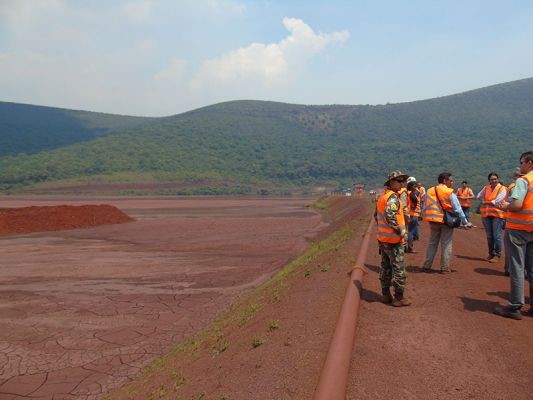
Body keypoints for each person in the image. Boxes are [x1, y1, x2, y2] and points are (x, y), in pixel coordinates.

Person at [494, 151, 533, 320]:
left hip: (518, 228)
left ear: (529, 163)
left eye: (522, 162)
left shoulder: (523, 181)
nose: (521, 166)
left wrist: (504, 206)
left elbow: (516, 204)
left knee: (517, 267)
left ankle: (515, 306)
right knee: (532, 269)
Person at [422, 172, 473, 273]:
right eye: (450, 180)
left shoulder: (429, 190)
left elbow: (425, 206)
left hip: (433, 220)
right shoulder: (449, 192)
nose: (452, 182)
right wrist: (465, 222)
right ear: (445, 181)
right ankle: (444, 268)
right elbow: (457, 209)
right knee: (446, 244)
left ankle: (427, 266)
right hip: (446, 221)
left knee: (432, 243)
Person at [375, 170, 411, 307]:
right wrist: (401, 231)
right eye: (399, 181)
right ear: (392, 182)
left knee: (385, 267)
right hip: (394, 241)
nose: (402, 183)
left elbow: (376, 217)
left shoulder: (383, 196)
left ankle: (385, 294)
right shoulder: (393, 198)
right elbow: (390, 216)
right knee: (399, 270)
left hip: (383, 239)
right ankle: (399, 298)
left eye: (403, 181)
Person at [477, 173, 507, 263]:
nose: (494, 181)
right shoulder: (486, 188)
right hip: (486, 214)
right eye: (492, 179)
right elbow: (479, 195)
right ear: (489, 181)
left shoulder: (502, 188)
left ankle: (498, 254)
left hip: (497, 215)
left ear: (498, 179)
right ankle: (491, 253)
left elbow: (497, 201)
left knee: (497, 235)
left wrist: (486, 202)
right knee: (489, 236)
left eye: (495, 179)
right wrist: (484, 201)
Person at [406, 177, 421, 253]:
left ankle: (407, 244)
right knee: (411, 231)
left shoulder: (406, 192)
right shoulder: (414, 192)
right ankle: (409, 248)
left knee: (411, 231)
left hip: (410, 213)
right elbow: (414, 199)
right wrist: (414, 206)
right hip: (413, 213)